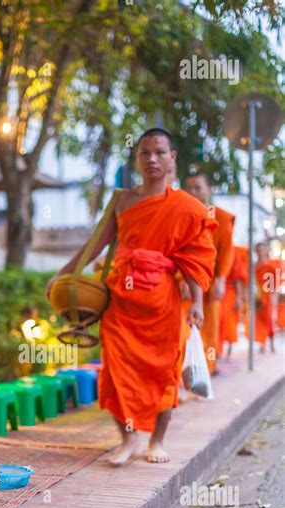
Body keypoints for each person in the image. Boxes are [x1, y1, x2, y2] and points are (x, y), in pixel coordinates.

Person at [46, 128, 218, 464]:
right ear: (137, 158)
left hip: (161, 303)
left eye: (159, 152)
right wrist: (63, 273)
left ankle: (156, 441)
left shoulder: (185, 206)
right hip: (121, 302)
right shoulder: (122, 200)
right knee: (116, 370)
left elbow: (195, 256)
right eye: (144, 153)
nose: (152, 159)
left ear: (172, 158)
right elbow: (94, 243)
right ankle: (127, 441)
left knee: (163, 371)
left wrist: (196, 302)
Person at [184, 172, 235, 374]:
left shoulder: (221, 217)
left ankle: (208, 368)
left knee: (210, 326)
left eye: (198, 187)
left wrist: (221, 279)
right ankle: (186, 369)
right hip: (187, 282)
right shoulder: (182, 215)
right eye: (189, 188)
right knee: (184, 327)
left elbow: (227, 251)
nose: (193, 192)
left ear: (209, 190)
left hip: (211, 282)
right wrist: (181, 279)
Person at [218, 245, 248, 358]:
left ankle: (227, 348)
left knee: (229, 321)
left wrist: (239, 298)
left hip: (229, 293)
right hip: (216, 291)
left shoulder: (232, 252)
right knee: (218, 322)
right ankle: (217, 351)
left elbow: (237, 278)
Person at [251, 241, 280, 353]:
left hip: (268, 295)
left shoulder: (273, 263)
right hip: (258, 295)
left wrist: (274, 296)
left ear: (267, 250)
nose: (261, 252)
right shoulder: (254, 265)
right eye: (259, 250)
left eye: (263, 249)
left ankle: (271, 342)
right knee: (258, 321)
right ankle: (262, 342)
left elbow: (275, 282)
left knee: (268, 320)